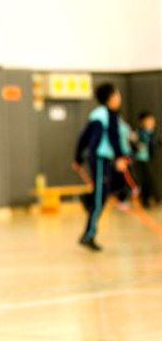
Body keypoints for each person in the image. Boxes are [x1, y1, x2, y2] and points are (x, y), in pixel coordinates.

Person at [73, 83, 129, 252]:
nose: (119, 98)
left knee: (103, 194)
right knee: (99, 198)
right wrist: (78, 157)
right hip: (98, 158)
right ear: (110, 98)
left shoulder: (108, 115)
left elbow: (85, 136)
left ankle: (87, 199)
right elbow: (103, 138)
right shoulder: (104, 115)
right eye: (117, 95)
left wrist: (78, 157)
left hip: (103, 159)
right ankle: (88, 235)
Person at [133, 111, 159, 208]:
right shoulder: (140, 132)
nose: (152, 122)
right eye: (149, 120)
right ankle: (148, 199)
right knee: (146, 180)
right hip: (140, 160)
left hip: (147, 159)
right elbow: (135, 142)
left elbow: (154, 142)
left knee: (148, 180)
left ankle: (150, 199)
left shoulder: (150, 132)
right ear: (143, 121)